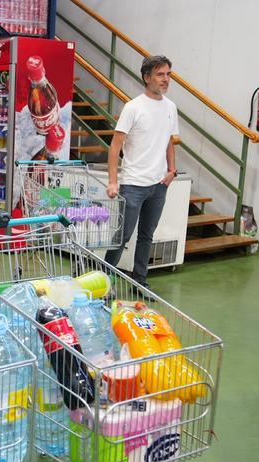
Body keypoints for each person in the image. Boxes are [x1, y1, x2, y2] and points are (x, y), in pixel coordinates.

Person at [103, 55, 178, 290]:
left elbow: (169, 141)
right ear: (147, 77)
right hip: (133, 184)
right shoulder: (133, 107)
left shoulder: (170, 107)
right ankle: (104, 282)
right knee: (122, 237)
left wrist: (171, 171)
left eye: (168, 74)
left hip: (158, 185)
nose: (165, 79)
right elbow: (115, 146)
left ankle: (140, 282)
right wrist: (113, 181)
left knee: (147, 236)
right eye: (160, 74)